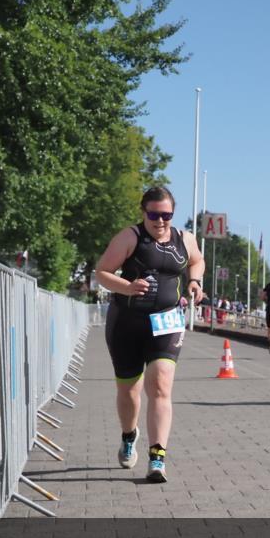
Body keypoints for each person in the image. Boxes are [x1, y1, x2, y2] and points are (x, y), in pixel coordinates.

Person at [94, 187, 205, 483]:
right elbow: (102, 272)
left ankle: (157, 459)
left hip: (167, 320)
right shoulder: (130, 237)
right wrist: (126, 286)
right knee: (129, 391)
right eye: (154, 215)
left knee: (160, 384)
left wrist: (194, 281)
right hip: (128, 322)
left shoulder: (185, 239)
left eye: (166, 215)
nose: (160, 221)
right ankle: (129, 435)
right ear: (143, 212)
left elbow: (197, 260)